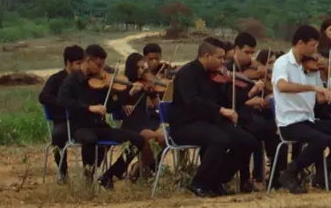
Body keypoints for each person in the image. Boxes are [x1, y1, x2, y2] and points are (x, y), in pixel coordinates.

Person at [271, 24, 331, 193]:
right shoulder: (282, 63)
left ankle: (324, 172)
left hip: (308, 119)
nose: (315, 50)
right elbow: (282, 86)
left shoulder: (311, 69)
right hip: (289, 122)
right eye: (312, 45)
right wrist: (313, 88)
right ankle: (290, 172)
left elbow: (321, 97)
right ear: (300, 43)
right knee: (322, 139)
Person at [167, 39, 260, 198]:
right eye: (220, 58)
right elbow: (192, 102)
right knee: (220, 139)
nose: (223, 62)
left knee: (248, 141)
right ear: (206, 55)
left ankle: (217, 179)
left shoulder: (214, 75)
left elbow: (223, 100)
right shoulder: (186, 73)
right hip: (185, 124)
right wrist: (221, 110)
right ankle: (199, 183)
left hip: (209, 121)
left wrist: (245, 94)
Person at [56, 44, 146, 189]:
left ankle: (110, 175)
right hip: (79, 126)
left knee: (138, 140)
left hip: (100, 126)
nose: (102, 69)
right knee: (90, 139)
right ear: (88, 61)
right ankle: (88, 179)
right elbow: (62, 100)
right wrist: (89, 108)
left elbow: (110, 107)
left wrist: (127, 94)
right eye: (99, 64)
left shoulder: (102, 82)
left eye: (103, 64)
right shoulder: (72, 80)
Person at [228, 32, 278, 191]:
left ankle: (274, 175)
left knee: (270, 131)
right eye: (247, 52)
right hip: (234, 115)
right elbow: (230, 99)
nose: (250, 57)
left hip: (247, 114)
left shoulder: (248, 67)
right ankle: (245, 178)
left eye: (252, 53)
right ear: (236, 49)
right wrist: (252, 97)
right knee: (252, 137)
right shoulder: (228, 70)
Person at [38, 44, 84, 182]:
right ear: (68, 63)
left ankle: (91, 172)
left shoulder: (84, 79)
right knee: (57, 136)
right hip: (63, 121)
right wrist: (63, 102)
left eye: (83, 63)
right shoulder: (56, 79)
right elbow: (43, 97)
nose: (81, 67)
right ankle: (63, 173)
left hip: (81, 121)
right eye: (78, 63)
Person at [119, 52, 165, 179]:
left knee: (163, 136)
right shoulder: (123, 84)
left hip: (147, 121)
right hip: (132, 124)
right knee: (150, 137)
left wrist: (153, 94)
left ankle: (141, 167)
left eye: (142, 67)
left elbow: (159, 107)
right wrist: (131, 93)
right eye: (138, 68)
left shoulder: (145, 84)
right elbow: (119, 106)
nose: (141, 71)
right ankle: (143, 169)